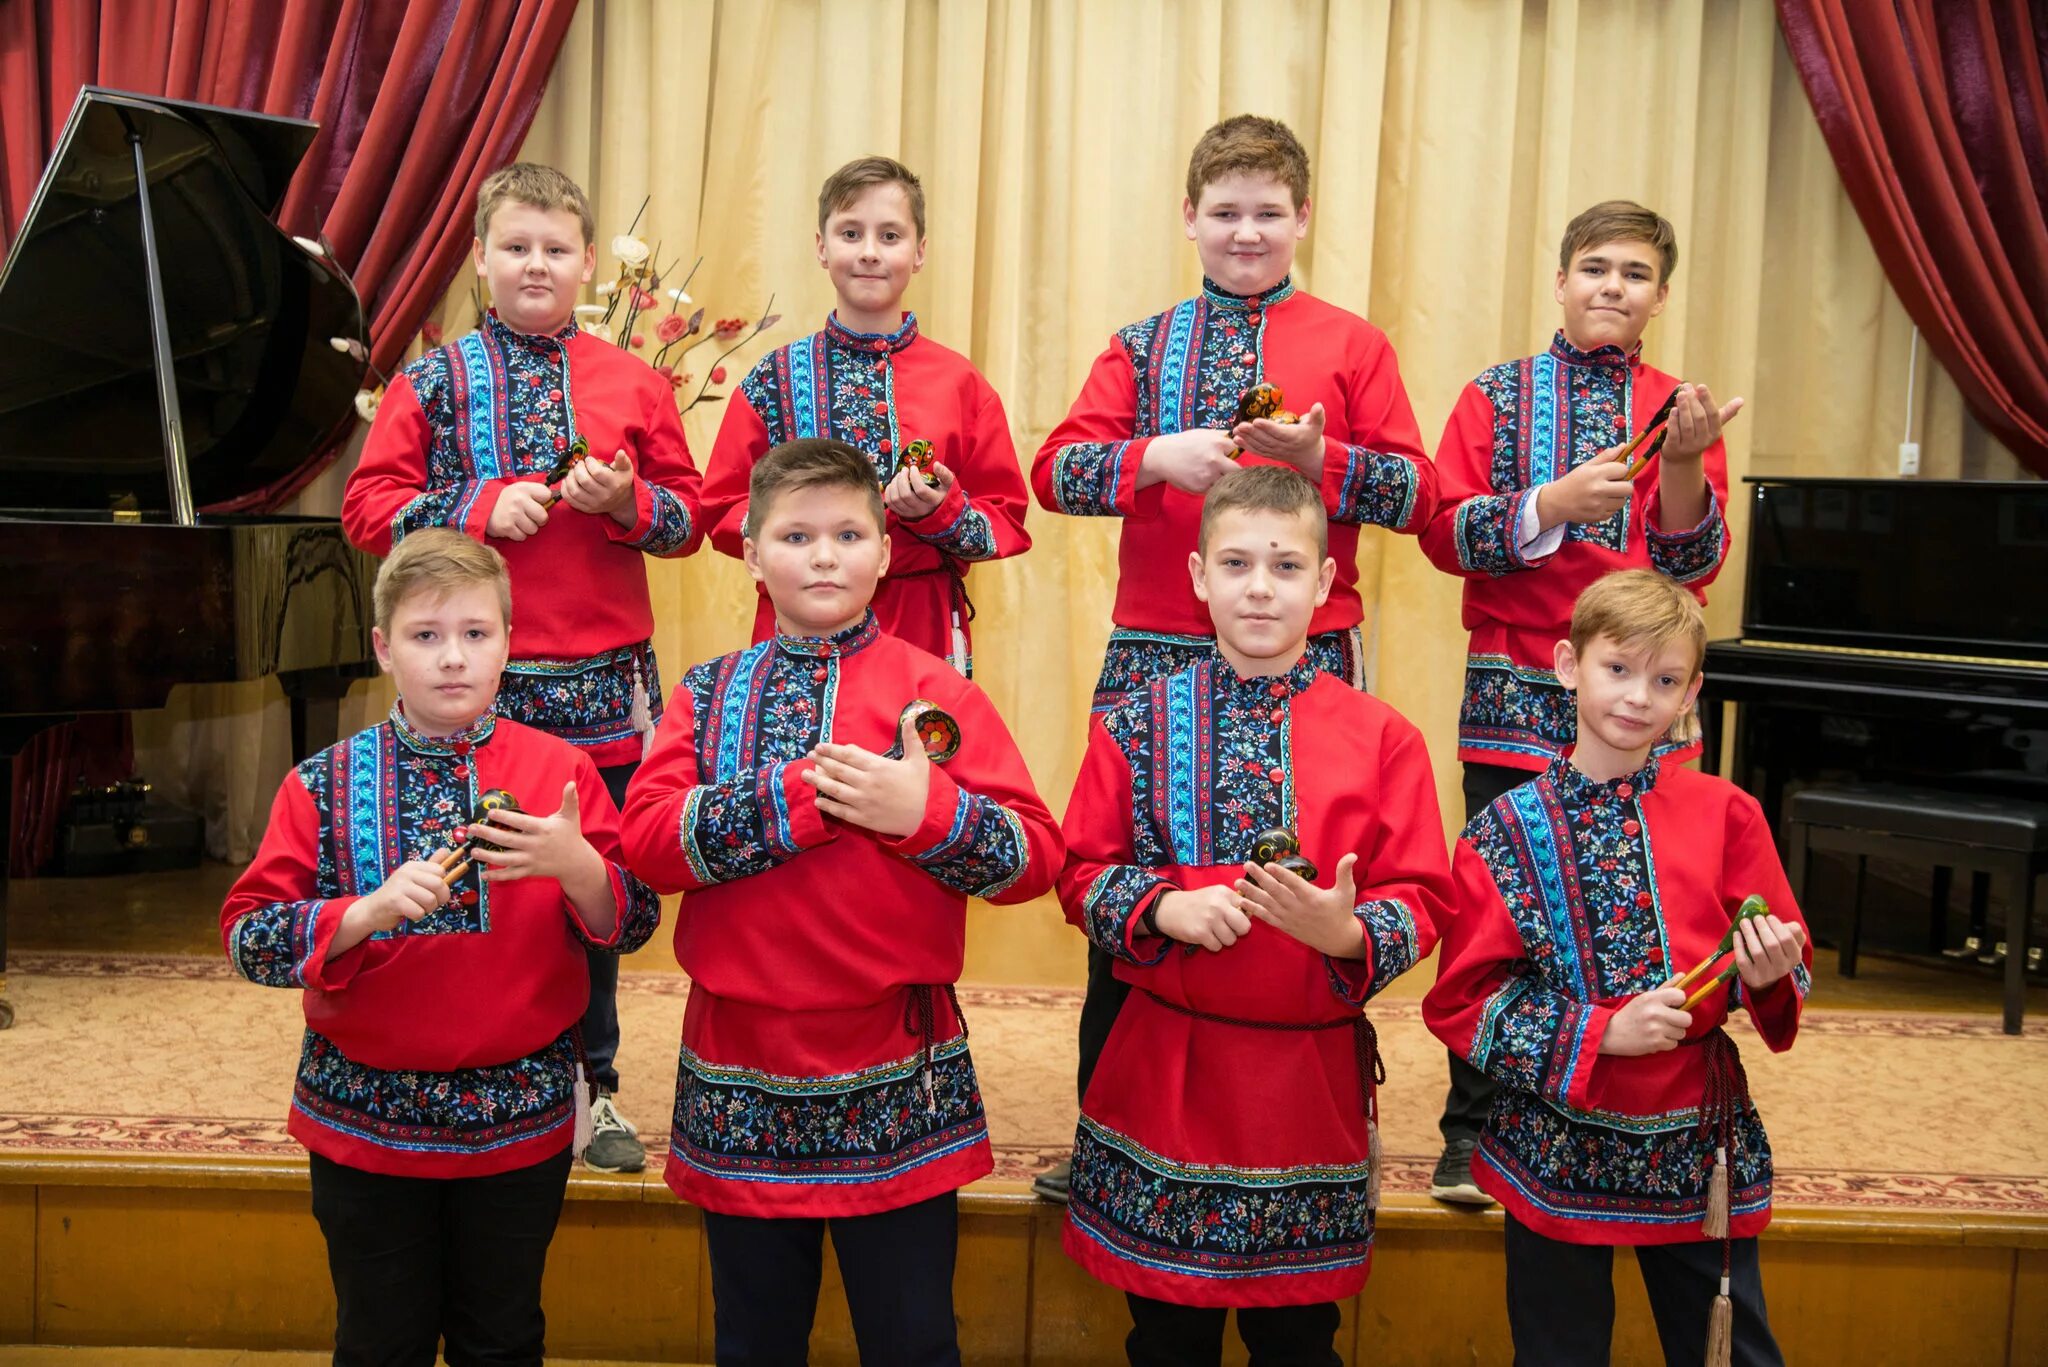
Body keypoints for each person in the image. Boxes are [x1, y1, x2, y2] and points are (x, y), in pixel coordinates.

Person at [1030, 112, 1435, 1201]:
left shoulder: (1352, 344)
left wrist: (1325, 459)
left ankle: (1306, 1140)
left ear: (1301, 218)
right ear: (1189, 219)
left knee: (1298, 898)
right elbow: (1050, 471)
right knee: (1132, 897)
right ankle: (1104, 1137)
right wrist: (1150, 456)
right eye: (1224, 212)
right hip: (1154, 659)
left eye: (1267, 213)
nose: (1245, 232)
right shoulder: (1141, 342)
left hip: (1307, 659)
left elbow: (1420, 495)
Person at [621, 439, 1063, 1365]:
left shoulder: (937, 689)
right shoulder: (708, 691)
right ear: (748, 552)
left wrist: (925, 813)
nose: (824, 556)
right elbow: (649, 843)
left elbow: (1034, 858)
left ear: (887, 550)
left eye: (848, 534)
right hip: (740, 1064)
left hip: (897, 1065)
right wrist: (798, 800)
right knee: (753, 1338)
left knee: (910, 1340)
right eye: (796, 534)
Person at [342, 162, 706, 1173]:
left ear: (588, 263)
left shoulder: (636, 384)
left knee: (592, 894)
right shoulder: (431, 379)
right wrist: (475, 505)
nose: (536, 264)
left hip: (602, 692)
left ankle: (594, 1086)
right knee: (461, 889)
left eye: (555, 249)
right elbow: (366, 509)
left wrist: (623, 504)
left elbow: (693, 522)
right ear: (480, 259)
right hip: (465, 692)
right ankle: (454, 1065)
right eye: (516, 247)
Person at [221, 528, 661, 1365]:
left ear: (508, 643)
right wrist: (362, 914)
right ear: (385, 648)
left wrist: (576, 866)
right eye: (426, 637)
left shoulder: (560, 771)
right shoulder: (319, 782)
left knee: (502, 1336)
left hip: (519, 1124)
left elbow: (633, 920)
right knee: (379, 1340)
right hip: (365, 1125)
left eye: (475, 634)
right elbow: (248, 936)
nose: (452, 658)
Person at [1057, 465, 1454, 1366]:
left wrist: (1347, 933)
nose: (1260, 585)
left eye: (1285, 564)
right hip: (1167, 1072)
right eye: (1236, 563)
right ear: (1198, 577)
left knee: (1299, 1338)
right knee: (1165, 1335)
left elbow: (1425, 894)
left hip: (1306, 1085)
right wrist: (1167, 908)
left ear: (1325, 583)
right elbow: (1080, 871)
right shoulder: (1135, 722)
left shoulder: (1385, 737)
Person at [1415, 199, 1742, 1205]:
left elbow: (1692, 562)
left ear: (1659, 296)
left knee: (1637, 909)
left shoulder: (1675, 407)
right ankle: (1473, 1131)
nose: (1610, 285)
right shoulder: (1494, 394)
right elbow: (1441, 531)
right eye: (1593, 267)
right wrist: (1547, 506)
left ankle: (1629, 1110)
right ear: (1558, 281)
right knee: (1498, 916)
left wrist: (1679, 459)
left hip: (1647, 703)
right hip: (1516, 692)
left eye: (1633, 273)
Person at [1424, 569, 1809, 1367]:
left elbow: (1781, 962)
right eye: (1618, 668)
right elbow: (1464, 1001)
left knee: (1737, 1354)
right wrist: (1601, 1033)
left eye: (1665, 679)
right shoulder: (1504, 829)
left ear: (1691, 692)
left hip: (1695, 1144)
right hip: (1552, 1145)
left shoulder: (1727, 813)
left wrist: (1770, 973)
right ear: (1568, 663)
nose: (1638, 696)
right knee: (1558, 1353)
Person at [702, 155, 1030, 674]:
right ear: (821, 247)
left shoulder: (960, 384)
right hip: (798, 623)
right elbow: (718, 506)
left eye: (891, 236)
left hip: (920, 622)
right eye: (851, 233)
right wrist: (795, 533)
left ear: (919, 252)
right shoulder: (774, 379)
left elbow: (1007, 518)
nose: (870, 253)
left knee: (916, 752)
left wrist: (940, 512)